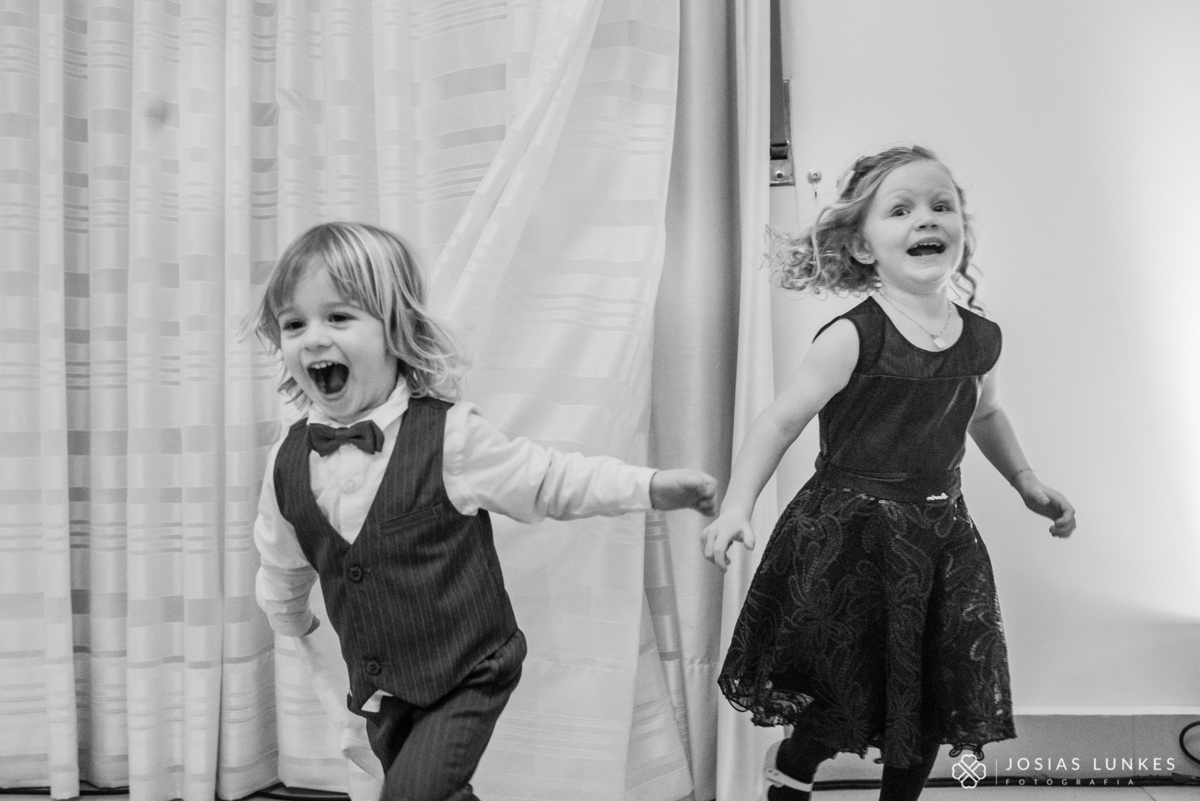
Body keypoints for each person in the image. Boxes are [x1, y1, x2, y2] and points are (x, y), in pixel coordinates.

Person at [245, 221, 718, 801]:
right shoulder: (285, 462)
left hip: (469, 671)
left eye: (339, 317)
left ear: (396, 330)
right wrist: (291, 619)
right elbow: (281, 558)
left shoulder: (452, 436)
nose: (313, 338)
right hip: (380, 685)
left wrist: (651, 486)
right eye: (294, 324)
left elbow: (549, 479)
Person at [701, 146, 1076, 801]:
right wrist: (736, 505)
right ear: (864, 246)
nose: (925, 219)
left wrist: (1027, 481)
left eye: (941, 206)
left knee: (934, 690)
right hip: (849, 536)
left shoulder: (981, 339)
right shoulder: (853, 337)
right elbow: (778, 422)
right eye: (900, 209)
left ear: (962, 229)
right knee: (844, 681)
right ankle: (792, 772)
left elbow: (986, 415)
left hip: (939, 539)